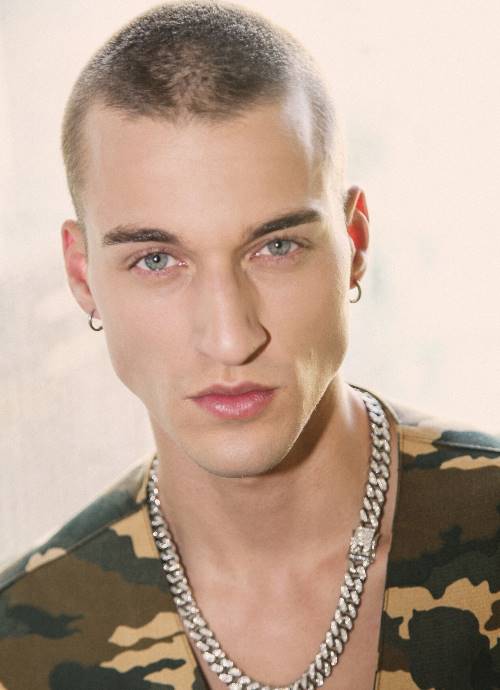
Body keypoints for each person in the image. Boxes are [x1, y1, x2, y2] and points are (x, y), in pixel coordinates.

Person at [0, 2, 498, 689]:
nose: (231, 339)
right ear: (83, 277)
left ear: (354, 244)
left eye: (277, 247)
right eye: (156, 260)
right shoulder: (22, 645)